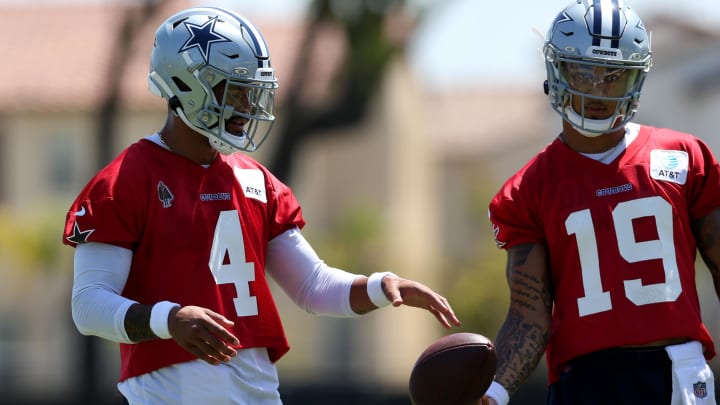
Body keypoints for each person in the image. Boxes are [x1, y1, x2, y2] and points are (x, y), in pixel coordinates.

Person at [62, 6, 461, 404]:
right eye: (234, 90)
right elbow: (89, 304)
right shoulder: (125, 181)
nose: (247, 107)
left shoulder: (253, 180)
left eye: (251, 92)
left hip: (257, 392)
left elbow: (312, 286)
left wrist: (379, 285)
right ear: (185, 84)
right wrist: (168, 319)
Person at [482, 1, 720, 404]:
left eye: (613, 76)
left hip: (678, 372)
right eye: (583, 72)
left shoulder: (685, 157)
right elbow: (528, 315)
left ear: (636, 78)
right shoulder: (528, 189)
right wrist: (494, 391)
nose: (597, 89)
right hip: (585, 381)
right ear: (556, 70)